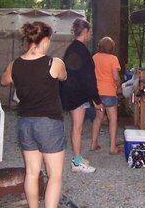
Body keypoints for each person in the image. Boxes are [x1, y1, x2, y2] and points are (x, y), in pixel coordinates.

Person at [1, 22, 67, 208]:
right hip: (49, 124)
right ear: (45, 40)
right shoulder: (53, 63)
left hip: (25, 124)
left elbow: (4, 80)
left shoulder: (15, 65)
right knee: (54, 175)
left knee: (31, 172)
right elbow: (63, 76)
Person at [59, 18, 103, 173]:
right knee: (77, 128)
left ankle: (78, 158)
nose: (90, 34)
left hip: (73, 92)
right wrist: (96, 99)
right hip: (77, 95)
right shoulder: (81, 50)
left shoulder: (72, 48)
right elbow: (88, 78)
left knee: (78, 128)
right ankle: (77, 162)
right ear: (85, 32)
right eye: (89, 32)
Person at [90, 36, 123, 155]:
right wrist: (119, 84)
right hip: (109, 92)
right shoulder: (113, 59)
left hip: (97, 93)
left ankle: (94, 143)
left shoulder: (94, 57)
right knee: (112, 120)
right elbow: (115, 77)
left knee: (98, 118)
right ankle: (112, 148)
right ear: (112, 47)